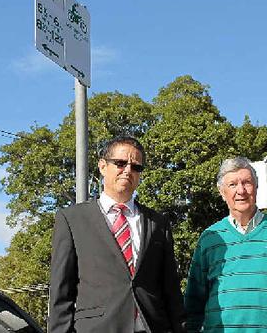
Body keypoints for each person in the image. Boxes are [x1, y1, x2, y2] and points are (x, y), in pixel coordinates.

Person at [48, 136, 186, 333]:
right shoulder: (72, 219)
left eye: (136, 166)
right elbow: (61, 292)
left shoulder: (158, 223)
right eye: (120, 163)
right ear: (103, 166)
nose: (128, 170)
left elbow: (171, 290)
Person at [184, 157, 267, 332]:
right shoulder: (210, 238)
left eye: (247, 182)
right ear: (222, 192)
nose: (241, 190)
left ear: (256, 187)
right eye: (232, 184)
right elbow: (192, 305)